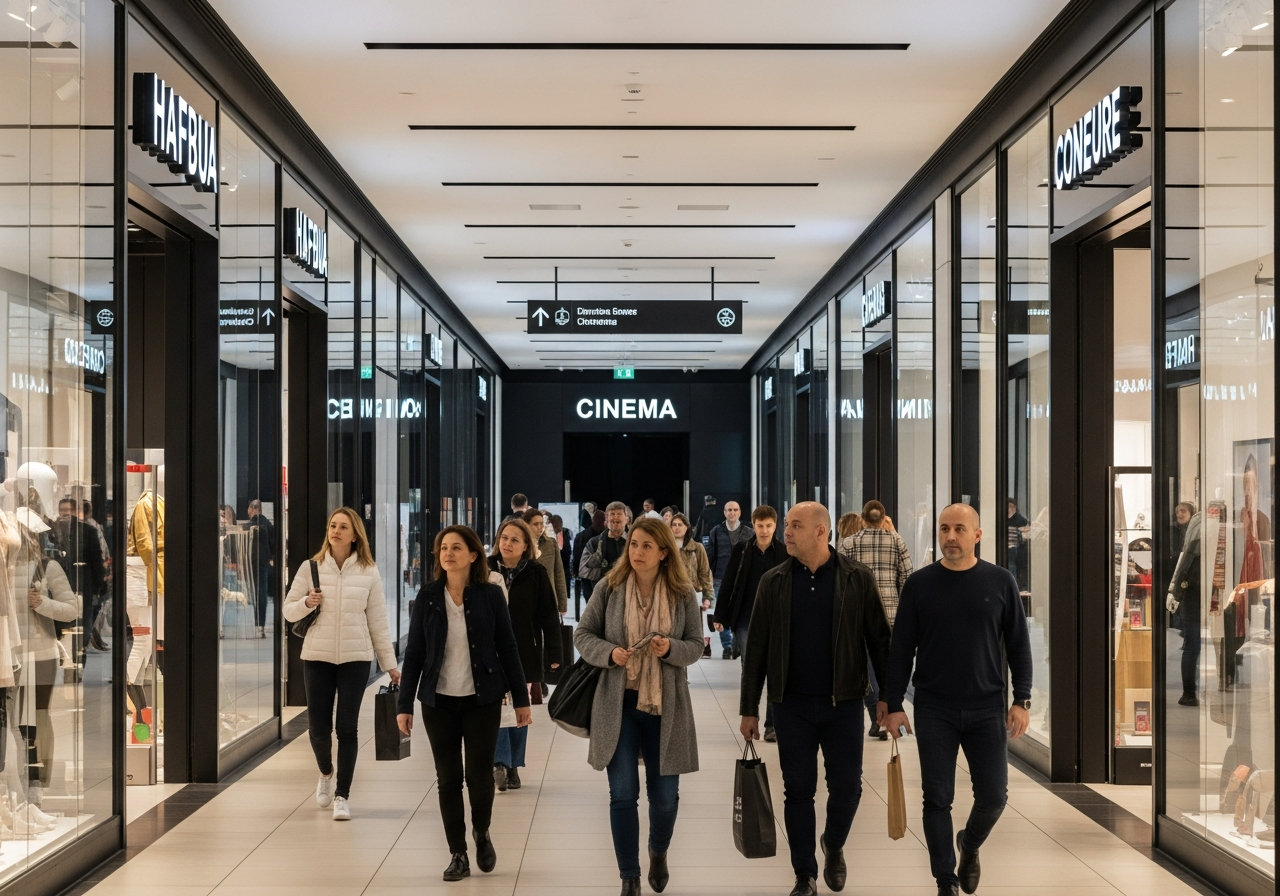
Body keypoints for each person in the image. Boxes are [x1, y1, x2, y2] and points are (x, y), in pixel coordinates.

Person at [878, 503, 1032, 896]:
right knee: (937, 798)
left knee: (995, 797)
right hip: (934, 707)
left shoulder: (1000, 582)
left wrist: (1022, 699)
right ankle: (944, 879)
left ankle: (971, 844)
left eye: (959, 529)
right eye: (945, 529)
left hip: (987, 707)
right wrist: (893, 703)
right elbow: (901, 649)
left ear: (977, 535)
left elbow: (1018, 645)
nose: (950, 536)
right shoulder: (919, 584)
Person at [739, 502, 891, 896]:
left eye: (795, 526)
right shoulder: (773, 582)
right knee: (798, 790)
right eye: (786, 525)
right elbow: (755, 649)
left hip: (843, 702)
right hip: (791, 706)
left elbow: (879, 641)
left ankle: (834, 844)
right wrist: (749, 709)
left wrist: (888, 699)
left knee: (848, 789)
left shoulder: (857, 578)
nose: (786, 532)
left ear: (822, 532)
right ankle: (804, 874)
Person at [574, 518, 704, 896]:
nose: (637, 552)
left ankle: (658, 851)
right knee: (623, 793)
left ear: (664, 552)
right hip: (619, 704)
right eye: (634, 545)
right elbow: (583, 635)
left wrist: (672, 649)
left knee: (664, 798)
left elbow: (695, 644)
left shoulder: (682, 593)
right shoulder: (609, 587)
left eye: (647, 546)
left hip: (666, 705)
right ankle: (629, 875)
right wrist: (608, 653)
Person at [398, 525, 531, 882]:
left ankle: (482, 831)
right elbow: (414, 654)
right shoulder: (427, 596)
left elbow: (508, 647)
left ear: (473, 555)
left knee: (478, 776)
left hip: (482, 699)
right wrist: (404, 704)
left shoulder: (489, 595)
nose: (448, 553)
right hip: (438, 702)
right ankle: (458, 853)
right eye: (443, 548)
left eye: (456, 548)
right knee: (447, 779)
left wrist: (522, 699)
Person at [282, 507, 400, 821]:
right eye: (333, 525)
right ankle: (325, 771)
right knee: (318, 729)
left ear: (354, 534)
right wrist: (307, 602)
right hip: (317, 657)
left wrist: (390, 665)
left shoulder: (368, 571)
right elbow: (288, 610)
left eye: (343, 527)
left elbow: (378, 622)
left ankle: (342, 795)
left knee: (346, 728)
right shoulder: (311, 567)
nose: (336, 531)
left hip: (356, 659)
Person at [488, 519, 561, 791]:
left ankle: (514, 765)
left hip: (524, 650)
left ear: (526, 546)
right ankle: (499, 761)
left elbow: (548, 615)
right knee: (496, 704)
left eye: (514, 540)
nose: (507, 544)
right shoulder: (484, 567)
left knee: (519, 704)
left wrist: (554, 653)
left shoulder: (536, 572)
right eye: (504, 538)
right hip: (490, 650)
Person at [15, 515, 80, 807]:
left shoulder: (48, 567)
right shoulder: (6, 568)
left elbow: (72, 609)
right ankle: (15, 782)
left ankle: (37, 784)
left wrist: (42, 604)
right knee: (12, 720)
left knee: (37, 717)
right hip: (10, 654)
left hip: (41, 654)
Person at [838, 500, 913, 740]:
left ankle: (876, 717)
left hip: (858, 617)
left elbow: (839, 582)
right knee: (889, 668)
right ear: (883, 519)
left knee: (866, 669)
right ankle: (891, 712)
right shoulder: (896, 541)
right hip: (891, 616)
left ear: (862, 519)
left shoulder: (849, 543)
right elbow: (908, 578)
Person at [713, 504, 786, 738]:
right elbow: (729, 582)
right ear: (752, 526)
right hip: (746, 617)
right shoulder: (743, 550)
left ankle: (772, 725)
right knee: (750, 669)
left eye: (768, 526)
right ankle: (750, 717)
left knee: (775, 669)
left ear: (776, 526)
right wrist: (720, 615)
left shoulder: (784, 553)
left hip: (776, 619)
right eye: (760, 525)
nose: (764, 530)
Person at [704, 500, 751, 658]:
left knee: (740, 612)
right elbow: (710, 556)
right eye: (729, 510)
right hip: (720, 577)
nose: (732, 512)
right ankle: (727, 646)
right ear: (724, 512)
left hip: (743, 578)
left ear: (740, 512)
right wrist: (708, 577)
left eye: (735, 509)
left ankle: (738, 644)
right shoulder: (716, 532)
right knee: (722, 612)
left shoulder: (749, 533)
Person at [1167, 503, 1202, 705]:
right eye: (1177, 511)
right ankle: (1188, 692)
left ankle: (1189, 692)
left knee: (1191, 646)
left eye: (1183, 511)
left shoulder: (1191, 540)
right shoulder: (1195, 544)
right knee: (1192, 646)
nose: (1179, 514)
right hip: (1192, 600)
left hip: (1189, 600)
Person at [670, 512, 714, 657]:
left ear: (687, 527)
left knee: (691, 635)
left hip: (693, 594)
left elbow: (705, 573)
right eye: (674, 525)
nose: (677, 528)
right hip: (671, 594)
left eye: (680, 525)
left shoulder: (697, 548)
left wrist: (708, 597)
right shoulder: (666, 548)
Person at [523, 508, 568, 615]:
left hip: (548, 599)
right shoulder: (521, 546)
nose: (540, 527)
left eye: (541, 524)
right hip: (526, 600)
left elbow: (559, 574)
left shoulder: (551, 544)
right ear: (526, 525)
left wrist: (562, 605)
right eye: (535, 524)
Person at [580, 501, 629, 583]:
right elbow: (584, 569)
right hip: (601, 590)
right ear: (606, 519)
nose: (616, 517)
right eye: (612, 514)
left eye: (619, 514)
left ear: (626, 519)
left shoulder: (633, 542)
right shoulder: (594, 542)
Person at [247, 498, 274, 638]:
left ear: (252, 509)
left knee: (256, 594)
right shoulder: (269, 525)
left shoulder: (250, 526)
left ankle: (257, 623)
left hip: (252, 565)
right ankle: (261, 626)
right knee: (262, 594)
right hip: (265, 565)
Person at [574, 509, 606, 613]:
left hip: (586, 574)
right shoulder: (606, 536)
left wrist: (576, 572)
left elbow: (577, 556)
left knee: (590, 603)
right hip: (603, 575)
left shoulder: (581, 536)